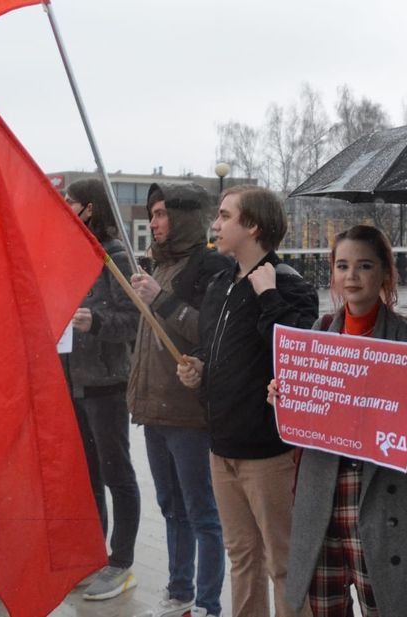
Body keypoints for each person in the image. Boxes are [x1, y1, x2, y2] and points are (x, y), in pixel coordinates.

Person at [269, 224, 407, 617]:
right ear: (332, 272)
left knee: (383, 605)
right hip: (323, 503)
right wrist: (284, 398)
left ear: (384, 274)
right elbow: (302, 422)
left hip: (379, 505)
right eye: (343, 265)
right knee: (324, 607)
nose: (352, 276)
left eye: (364, 266)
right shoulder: (319, 333)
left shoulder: (404, 340)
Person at [177, 185, 319, 617]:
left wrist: (268, 296)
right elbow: (215, 349)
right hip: (221, 445)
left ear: (253, 225)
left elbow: (297, 358)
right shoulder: (220, 283)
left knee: (283, 561)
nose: (215, 225)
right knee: (242, 557)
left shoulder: (288, 284)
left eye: (225, 216)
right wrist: (198, 368)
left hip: (267, 452)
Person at [127, 182, 231, 617]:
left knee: (202, 511)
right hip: (154, 408)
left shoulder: (211, 267)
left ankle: (207, 603)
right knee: (171, 508)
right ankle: (179, 590)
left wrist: (161, 299)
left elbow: (210, 333)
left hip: (188, 412)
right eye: (152, 214)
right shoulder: (157, 264)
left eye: (162, 214)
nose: (153, 222)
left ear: (184, 217)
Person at [60, 179, 141, 601]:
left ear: (89, 208)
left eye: (70, 202)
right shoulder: (70, 252)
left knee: (116, 473)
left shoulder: (115, 256)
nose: (64, 207)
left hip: (106, 383)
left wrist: (97, 322)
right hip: (73, 380)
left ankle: (121, 561)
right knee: (88, 474)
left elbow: (136, 318)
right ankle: (94, 555)